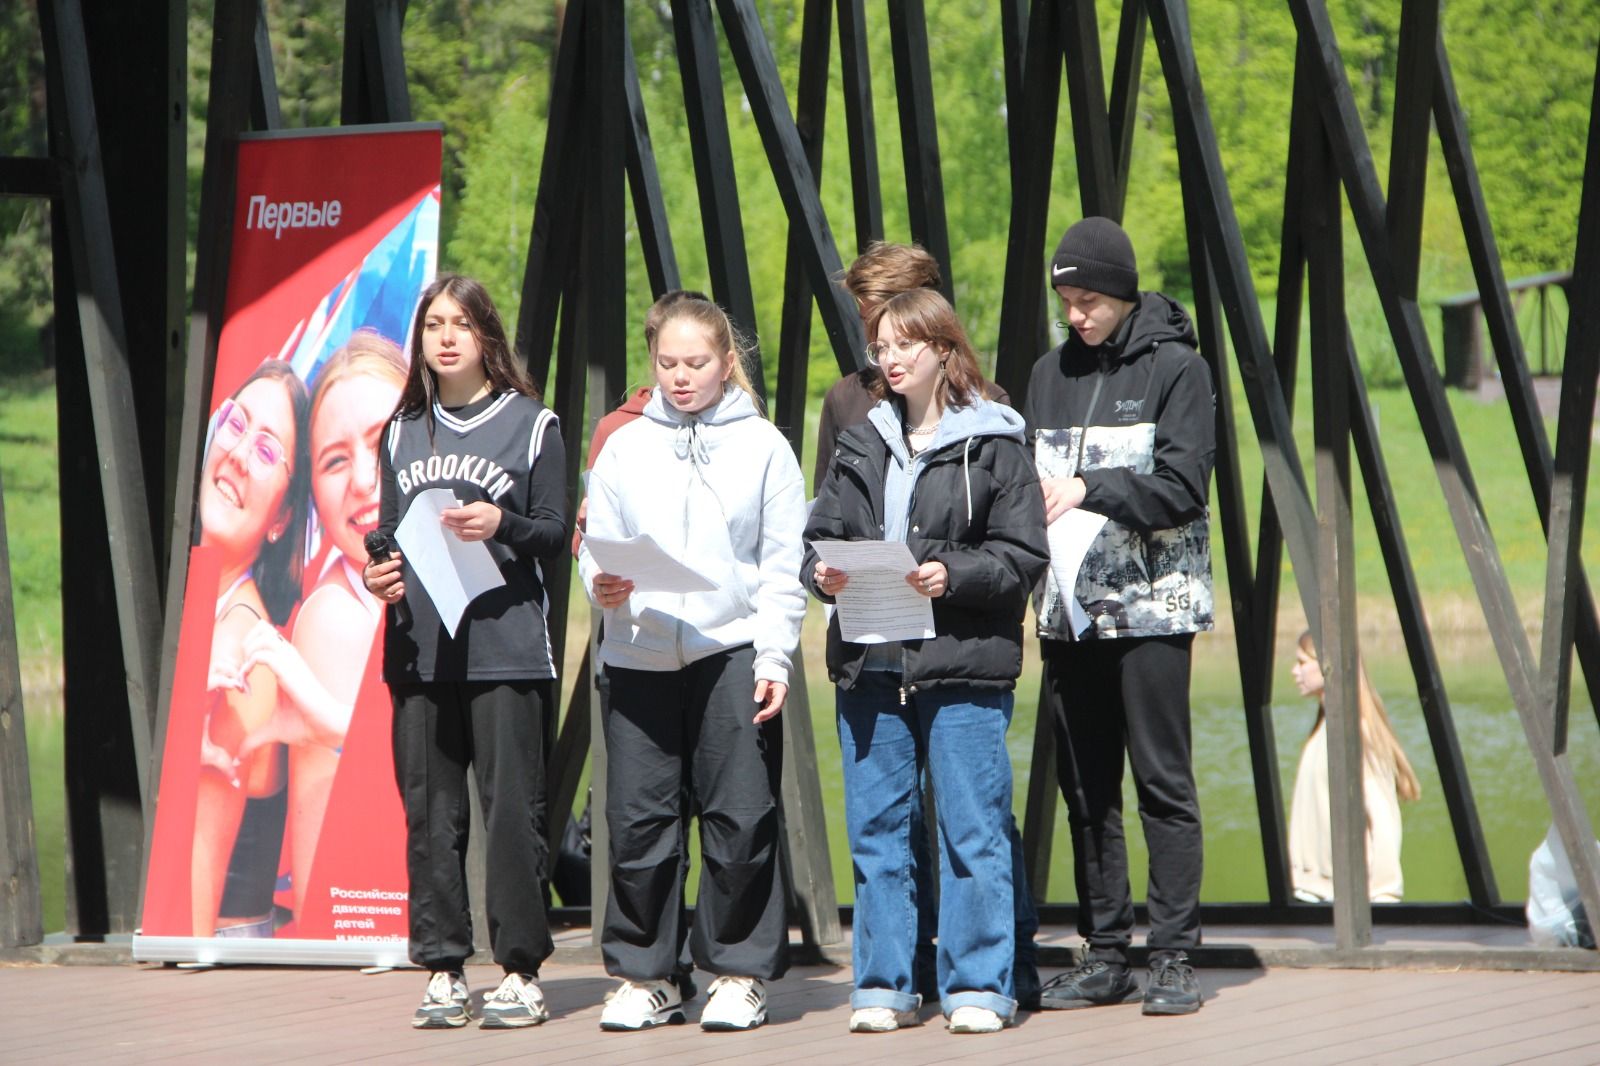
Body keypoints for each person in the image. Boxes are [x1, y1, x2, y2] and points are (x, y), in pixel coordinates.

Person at [804, 288, 1049, 1036]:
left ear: (944, 348)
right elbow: (819, 530)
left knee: (971, 831)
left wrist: (951, 574)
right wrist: (821, 572)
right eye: (882, 346)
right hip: (870, 666)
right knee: (877, 834)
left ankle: (979, 986)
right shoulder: (861, 436)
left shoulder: (996, 442)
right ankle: (884, 985)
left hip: (960, 666)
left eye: (906, 343)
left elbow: (1022, 557)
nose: (891, 357)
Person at [577, 291, 806, 1033]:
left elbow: (780, 565)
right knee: (638, 823)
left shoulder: (764, 445)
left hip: (730, 650)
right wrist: (600, 585)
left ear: (726, 362)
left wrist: (773, 655)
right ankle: (648, 975)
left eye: (696, 363)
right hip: (638, 651)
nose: (680, 377)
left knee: (740, 817)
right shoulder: (624, 444)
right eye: (667, 363)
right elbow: (596, 545)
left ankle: (738, 971)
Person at [363, 274, 567, 1030]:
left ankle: (520, 971)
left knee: (512, 812)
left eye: (461, 324)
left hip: (507, 648)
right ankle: (444, 966)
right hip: (421, 653)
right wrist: (375, 571)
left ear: (487, 335)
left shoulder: (532, 424)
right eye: (433, 325)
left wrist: (501, 524)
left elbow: (554, 531)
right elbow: (385, 533)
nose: (446, 338)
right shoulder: (400, 429)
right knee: (430, 815)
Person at [1026, 216, 1215, 1016]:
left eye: (1090, 298)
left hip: (1152, 611)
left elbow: (1182, 488)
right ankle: (1105, 952)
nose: (1077, 313)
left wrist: (1087, 487)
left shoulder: (1179, 368)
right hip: (1069, 614)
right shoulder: (1046, 373)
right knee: (1086, 789)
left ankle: (1172, 955)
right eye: (1066, 298)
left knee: (1162, 786)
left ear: (1124, 291)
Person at [236, 331, 409, 922]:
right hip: (375, 944)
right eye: (336, 461)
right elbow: (331, 898)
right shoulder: (339, 616)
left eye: (383, 442)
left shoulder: (433, 577)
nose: (364, 479)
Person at [193, 360, 311, 938]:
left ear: (281, 518)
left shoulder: (237, 645)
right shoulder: (201, 611)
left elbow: (189, 914)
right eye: (235, 424)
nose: (238, 452)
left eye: (267, 452)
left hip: (219, 964)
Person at [1287, 630, 1420, 902]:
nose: (1294, 671)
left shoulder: (1355, 734)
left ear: (1327, 665)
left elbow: (1382, 819)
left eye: (1302, 663)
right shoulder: (1323, 729)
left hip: (1341, 900)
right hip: (1313, 895)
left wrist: (1385, 895)